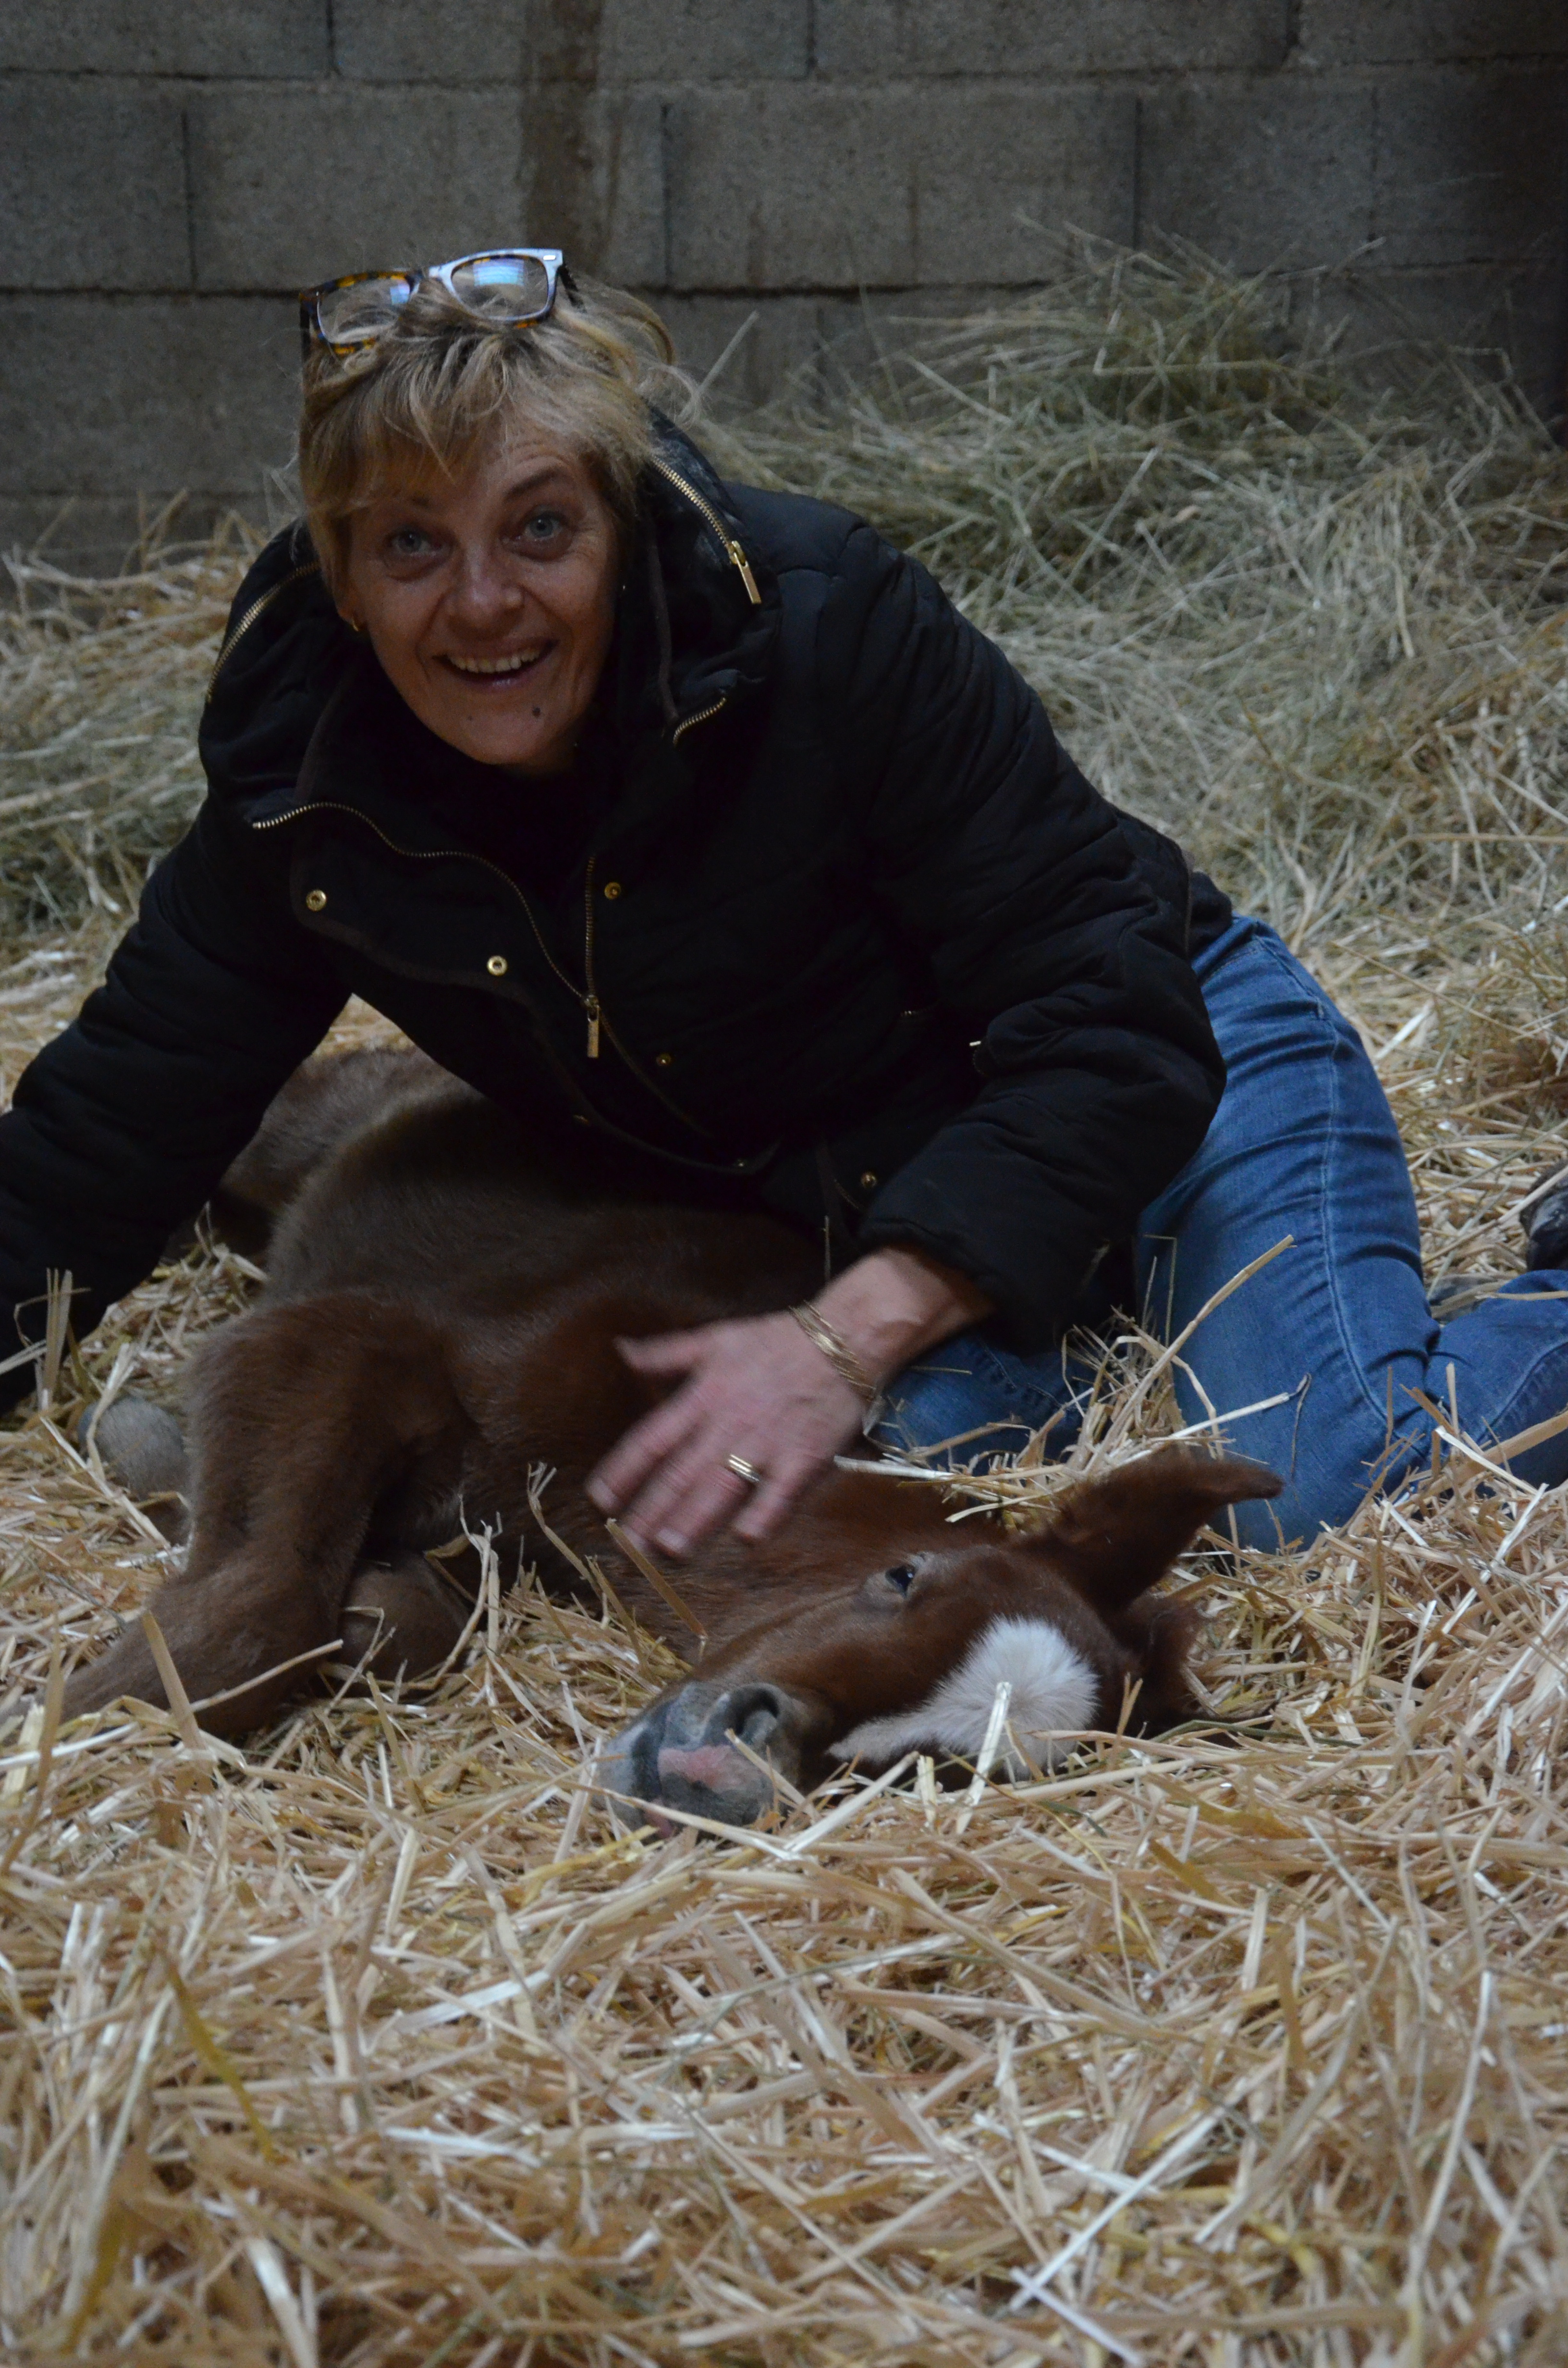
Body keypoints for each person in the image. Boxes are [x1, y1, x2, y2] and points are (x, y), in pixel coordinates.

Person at [1, 250, 1565, 1562]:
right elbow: (125, 1113)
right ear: (341, 577)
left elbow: (1108, 1017)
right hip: (902, 1203)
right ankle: (1072, 1347)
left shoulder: (822, 628)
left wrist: (840, 1338)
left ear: (618, 522)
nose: (482, 605)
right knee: (866, 1513)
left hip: (1167, 1070)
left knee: (1325, 1493)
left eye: (539, 527)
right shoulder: (311, 769)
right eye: (414, 545)